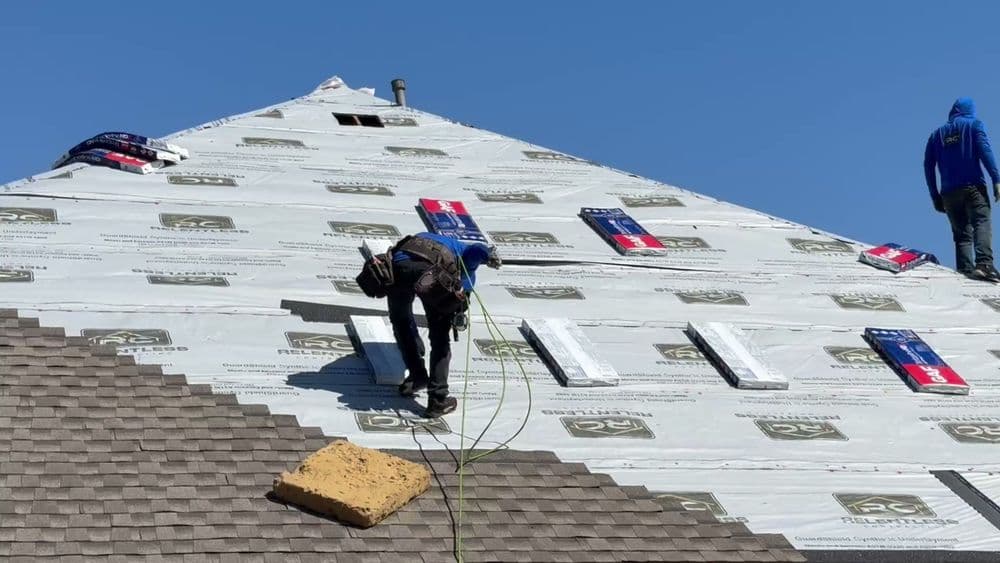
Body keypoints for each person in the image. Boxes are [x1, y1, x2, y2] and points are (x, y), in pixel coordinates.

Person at [386, 232, 500, 418]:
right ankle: (437, 400)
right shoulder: (464, 255)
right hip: (430, 274)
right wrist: (488, 253)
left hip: (398, 269)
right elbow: (476, 250)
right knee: (439, 336)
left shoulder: (432, 240)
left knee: (401, 321)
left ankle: (417, 376)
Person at [924, 97, 1000, 280]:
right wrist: (996, 178)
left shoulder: (936, 135)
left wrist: (935, 195)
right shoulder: (974, 125)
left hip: (949, 193)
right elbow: (985, 151)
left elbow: (928, 166)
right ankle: (984, 264)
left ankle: (965, 270)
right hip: (973, 186)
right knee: (981, 222)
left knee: (961, 234)